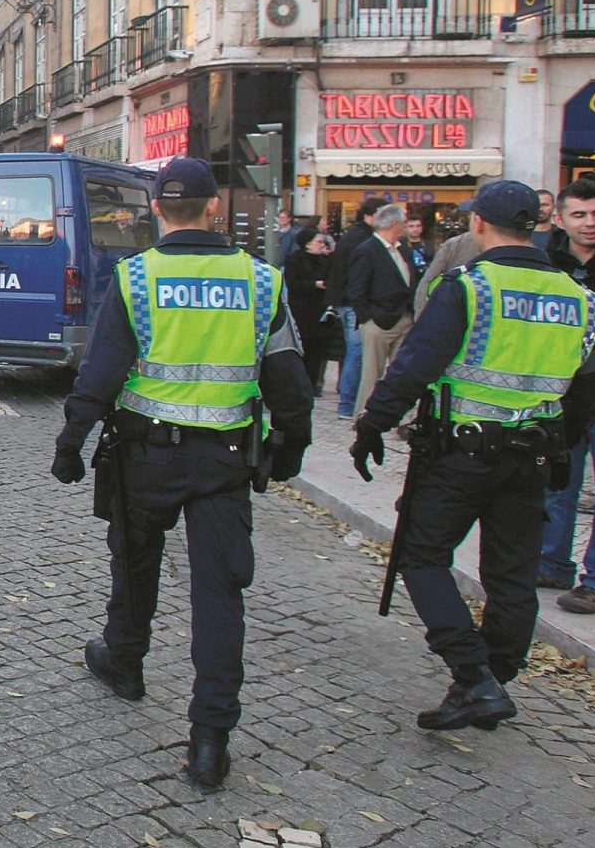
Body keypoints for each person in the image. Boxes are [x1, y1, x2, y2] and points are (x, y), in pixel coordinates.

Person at [50, 157, 311, 790]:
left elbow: (102, 371)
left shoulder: (138, 279)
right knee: (219, 593)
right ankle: (210, 738)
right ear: (213, 206)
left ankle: (126, 662)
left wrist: (72, 439)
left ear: (158, 210)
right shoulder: (261, 282)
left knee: (135, 566)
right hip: (224, 461)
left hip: (145, 456)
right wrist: (291, 446)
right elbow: (290, 382)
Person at [352, 180, 595, 730]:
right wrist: (560, 442)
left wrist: (372, 426)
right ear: (539, 225)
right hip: (531, 457)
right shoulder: (582, 300)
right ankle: (495, 678)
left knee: (421, 556)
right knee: (512, 578)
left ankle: (474, 676)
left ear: (479, 224)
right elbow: (588, 390)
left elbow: (414, 366)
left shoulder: (470, 288)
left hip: (458, 455)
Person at [544, 177, 595, 614]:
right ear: (560, 218)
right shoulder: (544, 264)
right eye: (580, 214)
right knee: (556, 484)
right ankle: (550, 562)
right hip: (561, 392)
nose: (590, 223)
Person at [346, 203, 419, 417]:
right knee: (372, 373)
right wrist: (368, 318)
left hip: (404, 317)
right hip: (379, 320)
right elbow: (356, 288)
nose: (407, 227)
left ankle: (403, 416)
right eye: (405, 223)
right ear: (394, 224)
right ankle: (364, 415)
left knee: (403, 372)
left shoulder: (402, 249)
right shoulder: (367, 250)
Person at [328, 197, 389, 421]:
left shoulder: (353, 235)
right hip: (353, 303)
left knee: (354, 353)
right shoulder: (363, 239)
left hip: (347, 300)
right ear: (370, 216)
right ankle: (349, 404)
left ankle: (348, 402)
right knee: (358, 353)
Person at [284, 227, 334, 391]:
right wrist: (315, 284)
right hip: (302, 311)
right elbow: (292, 284)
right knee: (302, 349)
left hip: (320, 311)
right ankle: (300, 384)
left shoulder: (325, 261)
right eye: (318, 242)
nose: (321, 245)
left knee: (317, 351)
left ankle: (313, 384)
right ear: (307, 244)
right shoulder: (295, 260)